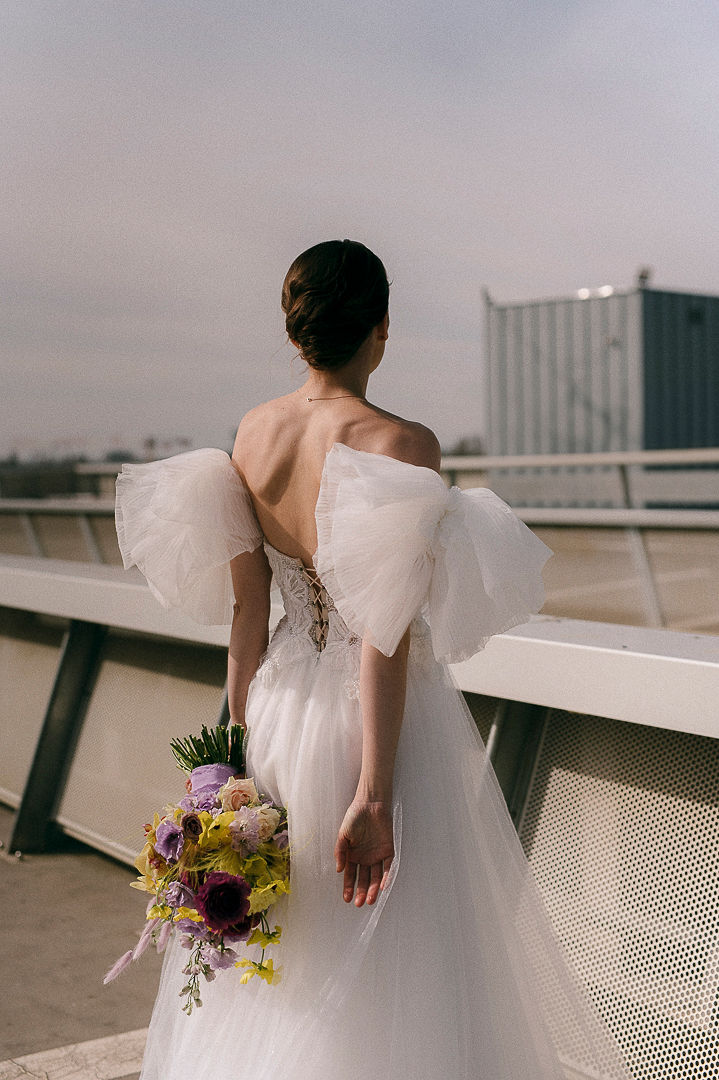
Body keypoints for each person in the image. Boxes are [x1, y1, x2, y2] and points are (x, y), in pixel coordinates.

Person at [115, 240, 634, 1080]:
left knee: (284, 941)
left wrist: (230, 749)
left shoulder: (254, 432)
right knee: (394, 945)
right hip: (375, 731)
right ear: (380, 328)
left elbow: (251, 611)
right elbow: (382, 636)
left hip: (279, 714)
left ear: (295, 331)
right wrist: (374, 793)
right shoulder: (401, 444)